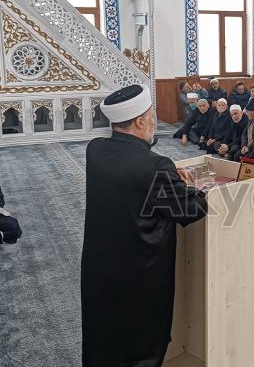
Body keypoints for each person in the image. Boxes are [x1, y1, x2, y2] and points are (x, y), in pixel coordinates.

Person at [81, 84, 208, 367]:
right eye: (152, 117)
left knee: (102, 336)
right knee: (141, 344)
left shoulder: (95, 150)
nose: (153, 122)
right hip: (140, 277)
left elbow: (130, 175)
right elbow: (192, 209)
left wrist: (169, 176)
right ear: (140, 121)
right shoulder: (156, 167)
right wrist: (192, 186)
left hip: (100, 271)